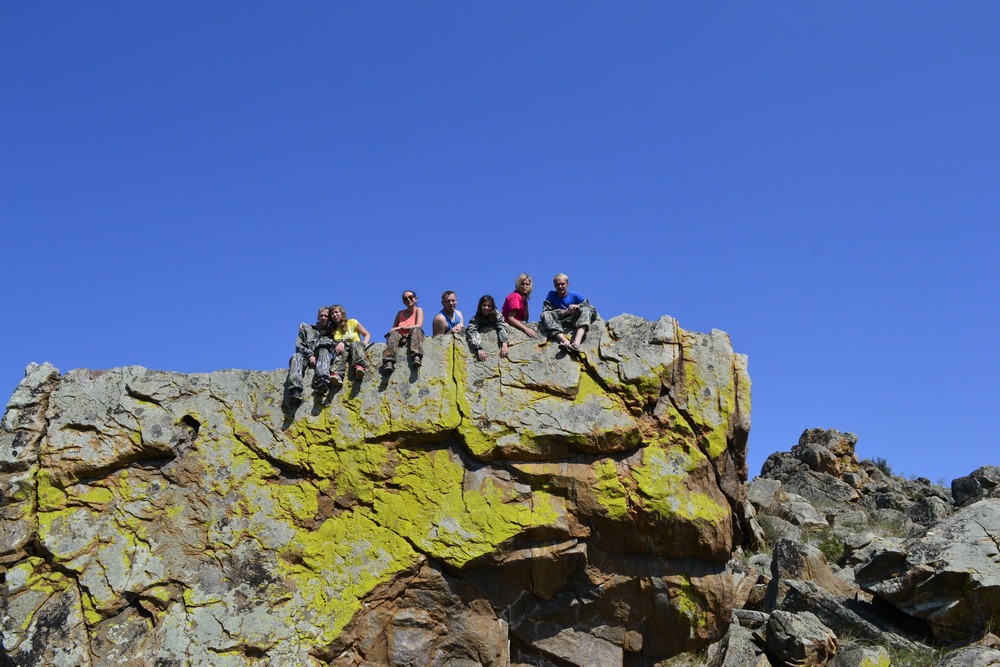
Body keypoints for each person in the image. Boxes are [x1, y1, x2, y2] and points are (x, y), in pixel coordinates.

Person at [539, 273, 597, 354]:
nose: (560, 287)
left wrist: (577, 306)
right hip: (559, 322)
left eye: (562, 284)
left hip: (575, 320)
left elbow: (590, 307)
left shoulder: (576, 296)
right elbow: (546, 311)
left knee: (587, 310)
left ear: (567, 284)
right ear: (554, 286)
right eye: (557, 285)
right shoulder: (551, 295)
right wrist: (563, 312)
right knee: (545, 315)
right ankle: (564, 341)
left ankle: (576, 343)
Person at [286, 306, 334, 399]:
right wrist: (310, 355)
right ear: (318, 317)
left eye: (326, 316)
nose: (323, 318)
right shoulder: (307, 329)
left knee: (323, 350)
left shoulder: (332, 333)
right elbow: (299, 345)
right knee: (296, 356)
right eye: (321, 316)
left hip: (322, 357)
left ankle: (322, 382)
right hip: (306, 356)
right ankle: (295, 389)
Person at [381, 290, 425, 373]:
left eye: (410, 297)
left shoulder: (418, 310)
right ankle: (389, 361)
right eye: (405, 298)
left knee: (416, 330)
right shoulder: (400, 313)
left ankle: (416, 356)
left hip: (413, 335)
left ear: (415, 298)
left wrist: (403, 327)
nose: (408, 299)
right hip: (400, 335)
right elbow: (394, 328)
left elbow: (419, 325)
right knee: (393, 335)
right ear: (403, 302)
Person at [328, 304, 372, 386]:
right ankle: (337, 375)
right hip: (343, 350)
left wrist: (364, 344)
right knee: (340, 351)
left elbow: (367, 334)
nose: (335, 315)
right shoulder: (333, 330)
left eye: (336, 312)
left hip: (356, 348)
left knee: (355, 343)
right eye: (332, 314)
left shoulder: (352, 322)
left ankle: (360, 367)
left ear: (341, 313)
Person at [466, 295, 509, 361]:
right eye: (484, 305)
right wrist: (478, 349)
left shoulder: (497, 315)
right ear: (480, 306)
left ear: (492, 307)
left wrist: (504, 343)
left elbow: (502, 326)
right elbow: (471, 330)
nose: (486, 308)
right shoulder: (476, 318)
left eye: (489, 306)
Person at [502, 273, 539, 339]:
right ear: (518, 285)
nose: (524, 286)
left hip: (519, 323)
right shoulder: (516, 296)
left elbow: (526, 318)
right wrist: (526, 329)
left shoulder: (523, 298)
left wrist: (525, 302)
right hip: (509, 325)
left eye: (527, 284)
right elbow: (510, 318)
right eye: (522, 284)